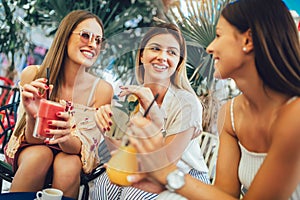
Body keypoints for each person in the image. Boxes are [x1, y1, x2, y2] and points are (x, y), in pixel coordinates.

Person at [126, 0, 300, 199]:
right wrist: (166, 180)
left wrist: (166, 174)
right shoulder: (230, 113)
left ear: (248, 41)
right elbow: (225, 194)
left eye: (218, 35)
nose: (209, 47)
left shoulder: (295, 114)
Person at [92, 23, 210, 199]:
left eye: (172, 52)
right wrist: (107, 130)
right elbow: (120, 152)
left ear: (178, 63)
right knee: (102, 186)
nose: (162, 57)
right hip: (140, 165)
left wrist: (155, 115)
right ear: (141, 55)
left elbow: (165, 164)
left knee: (133, 196)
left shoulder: (187, 103)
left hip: (182, 175)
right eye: (155, 48)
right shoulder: (129, 97)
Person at [4, 10, 113, 199]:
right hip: (30, 146)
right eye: (85, 35)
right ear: (65, 35)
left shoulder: (102, 90)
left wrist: (64, 137)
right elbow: (32, 139)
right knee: (39, 155)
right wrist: (33, 116)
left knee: (68, 165)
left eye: (98, 40)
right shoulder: (33, 75)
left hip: (72, 152)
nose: (92, 44)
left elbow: (82, 147)